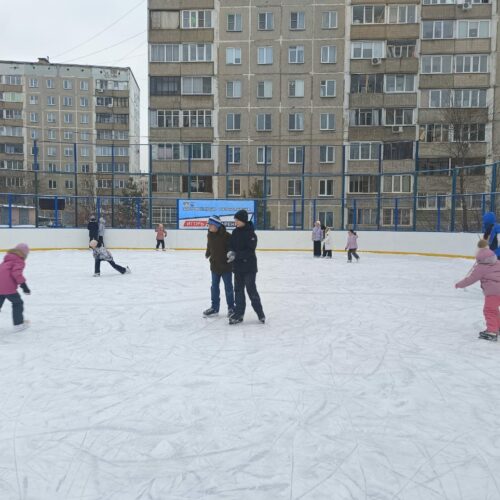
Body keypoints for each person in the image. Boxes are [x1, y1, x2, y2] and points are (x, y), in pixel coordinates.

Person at [455, 239, 500, 341]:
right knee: (494, 309)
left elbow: (471, 279)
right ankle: (498, 327)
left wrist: (459, 284)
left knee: (489, 310)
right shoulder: (498, 262)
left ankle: (492, 331)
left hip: (493, 293)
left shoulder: (481, 267)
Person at [227, 210, 265, 325]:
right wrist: (230, 253)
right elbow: (231, 246)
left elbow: (250, 251)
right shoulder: (234, 233)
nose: (235, 222)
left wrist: (236, 255)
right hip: (238, 267)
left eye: (237, 220)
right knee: (238, 291)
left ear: (243, 220)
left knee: (251, 290)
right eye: (235, 220)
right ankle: (239, 314)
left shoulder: (251, 234)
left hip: (249, 268)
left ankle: (260, 313)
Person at [203, 215, 235, 318]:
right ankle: (214, 308)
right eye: (209, 224)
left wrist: (231, 253)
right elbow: (210, 245)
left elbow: (231, 248)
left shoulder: (227, 236)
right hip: (215, 266)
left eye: (211, 225)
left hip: (226, 267)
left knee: (228, 288)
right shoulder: (209, 235)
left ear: (216, 225)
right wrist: (208, 253)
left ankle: (231, 308)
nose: (209, 226)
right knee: (214, 288)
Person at [0, 243, 31, 331]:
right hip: (8, 287)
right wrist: (24, 286)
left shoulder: (7, 259)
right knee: (17, 303)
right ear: (24, 253)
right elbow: (16, 274)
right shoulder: (19, 261)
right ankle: (18, 324)